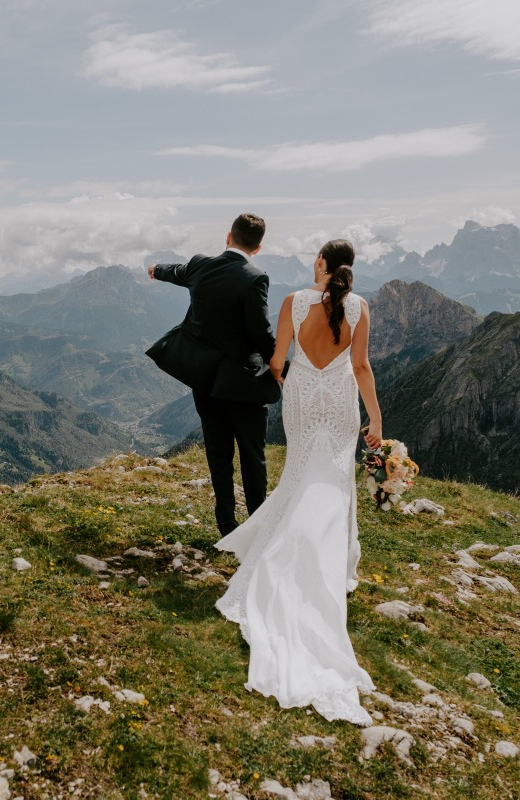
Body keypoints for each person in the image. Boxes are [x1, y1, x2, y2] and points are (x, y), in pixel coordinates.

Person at [214, 238, 382, 725]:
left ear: (324, 265)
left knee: (300, 473)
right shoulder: (361, 308)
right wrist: (376, 420)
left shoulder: (295, 301)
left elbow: (278, 358)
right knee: (331, 482)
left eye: (317, 259)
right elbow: (361, 366)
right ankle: (326, 553)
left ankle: (290, 546)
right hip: (341, 402)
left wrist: (288, 380)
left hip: (304, 398)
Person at [148, 213, 276, 536]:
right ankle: (258, 526)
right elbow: (261, 335)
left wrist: (154, 270)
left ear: (227, 237)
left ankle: (227, 526)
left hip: (205, 382)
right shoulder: (255, 278)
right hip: (243, 386)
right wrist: (283, 368)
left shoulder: (200, 266)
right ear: (258, 248)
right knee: (252, 456)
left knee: (218, 454)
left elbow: (174, 272)